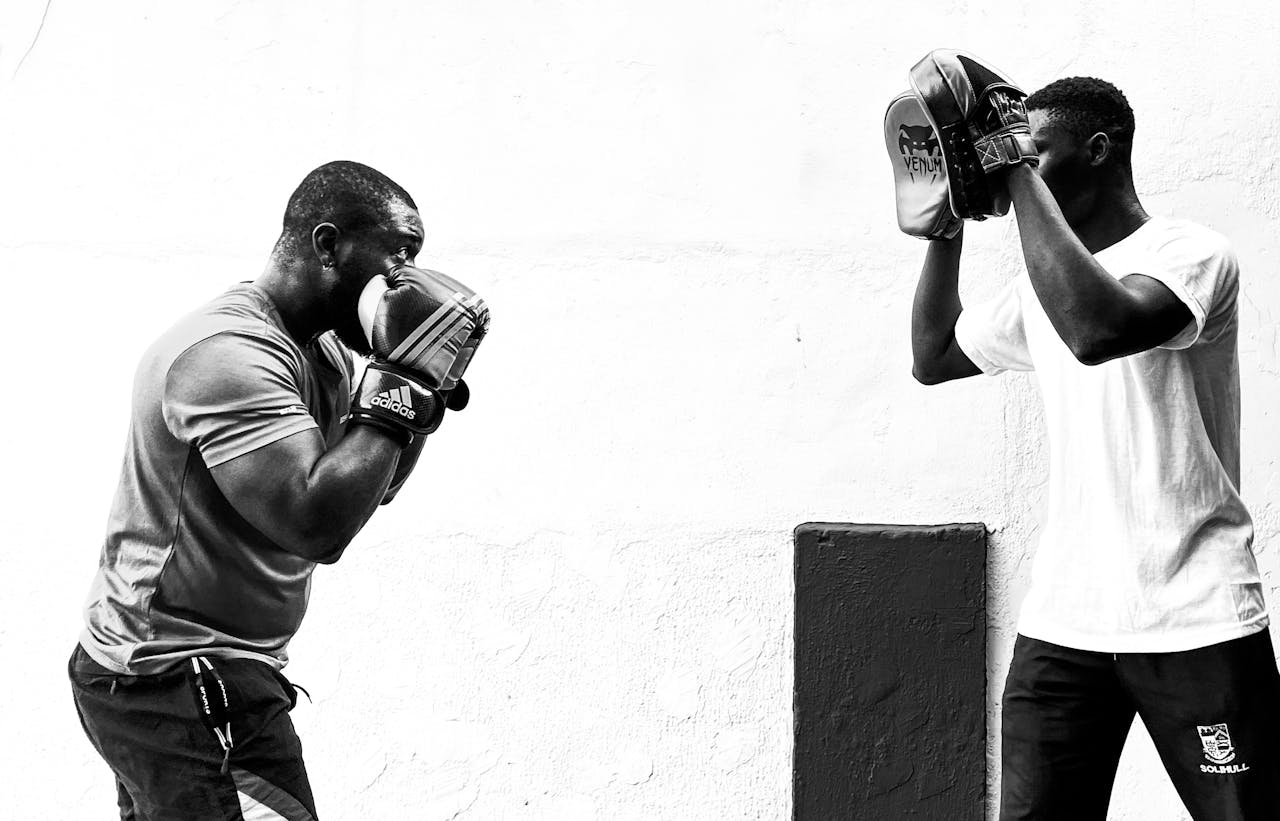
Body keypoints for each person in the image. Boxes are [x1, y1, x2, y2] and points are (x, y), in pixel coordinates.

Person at [68, 160, 489, 820]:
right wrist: (398, 379)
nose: (409, 279)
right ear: (329, 245)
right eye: (400, 254)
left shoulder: (320, 351)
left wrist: (422, 388)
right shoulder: (227, 353)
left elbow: (367, 491)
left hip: (193, 671)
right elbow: (315, 523)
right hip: (177, 674)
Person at [911, 77, 1280, 819]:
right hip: (1065, 620)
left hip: (1196, 613)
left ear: (1098, 149)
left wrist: (1010, 166)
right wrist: (946, 226)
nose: (1020, 169)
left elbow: (1097, 329)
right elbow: (934, 354)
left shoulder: (1194, 254)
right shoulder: (1043, 289)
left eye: (1037, 152)